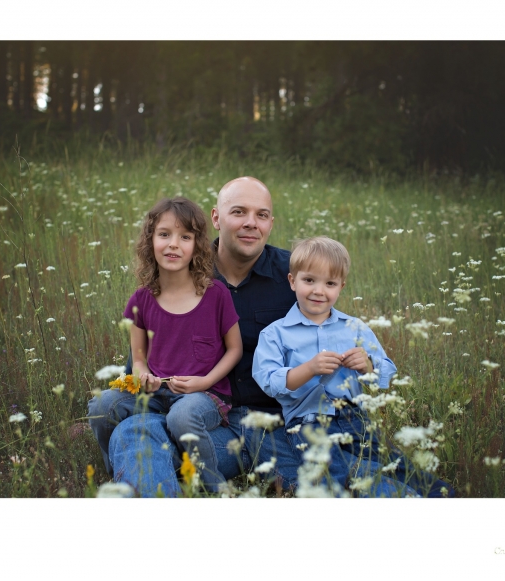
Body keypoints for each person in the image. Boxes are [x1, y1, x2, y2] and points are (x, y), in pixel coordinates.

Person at [90, 177, 301, 495]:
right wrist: (141, 377)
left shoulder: (294, 275)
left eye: (261, 215)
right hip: (194, 418)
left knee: (140, 434)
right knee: (131, 431)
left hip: (268, 426)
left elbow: (326, 336)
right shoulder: (181, 273)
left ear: (271, 222)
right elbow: (147, 351)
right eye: (239, 212)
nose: (250, 224)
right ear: (216, 218)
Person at [253, 236, 454, 497]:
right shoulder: (276, 333)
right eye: (309, 280)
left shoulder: (354, 327)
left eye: (330, 283)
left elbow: (385, 371)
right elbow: (269, 381)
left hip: (355, 417)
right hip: (309, 422)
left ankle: (443, 497)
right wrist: (310, 368)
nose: (319, 291)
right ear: (292, 281)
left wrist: (367, 366)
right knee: (330, 473)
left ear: (341, 287)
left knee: (392, 462)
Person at [102, 196, 243, 491]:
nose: (173, 244)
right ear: (150, 240)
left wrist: (203, 382)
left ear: (197, 246)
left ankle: (212, 486)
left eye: (185, 237)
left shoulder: (215, 295)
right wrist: (142, 374)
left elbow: (235, 349)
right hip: (156, 394)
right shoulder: (141, 299)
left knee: (181, 416)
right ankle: (113, 468)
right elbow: (138, 357)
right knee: (103, 405)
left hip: (203, 395)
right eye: (164, 234)